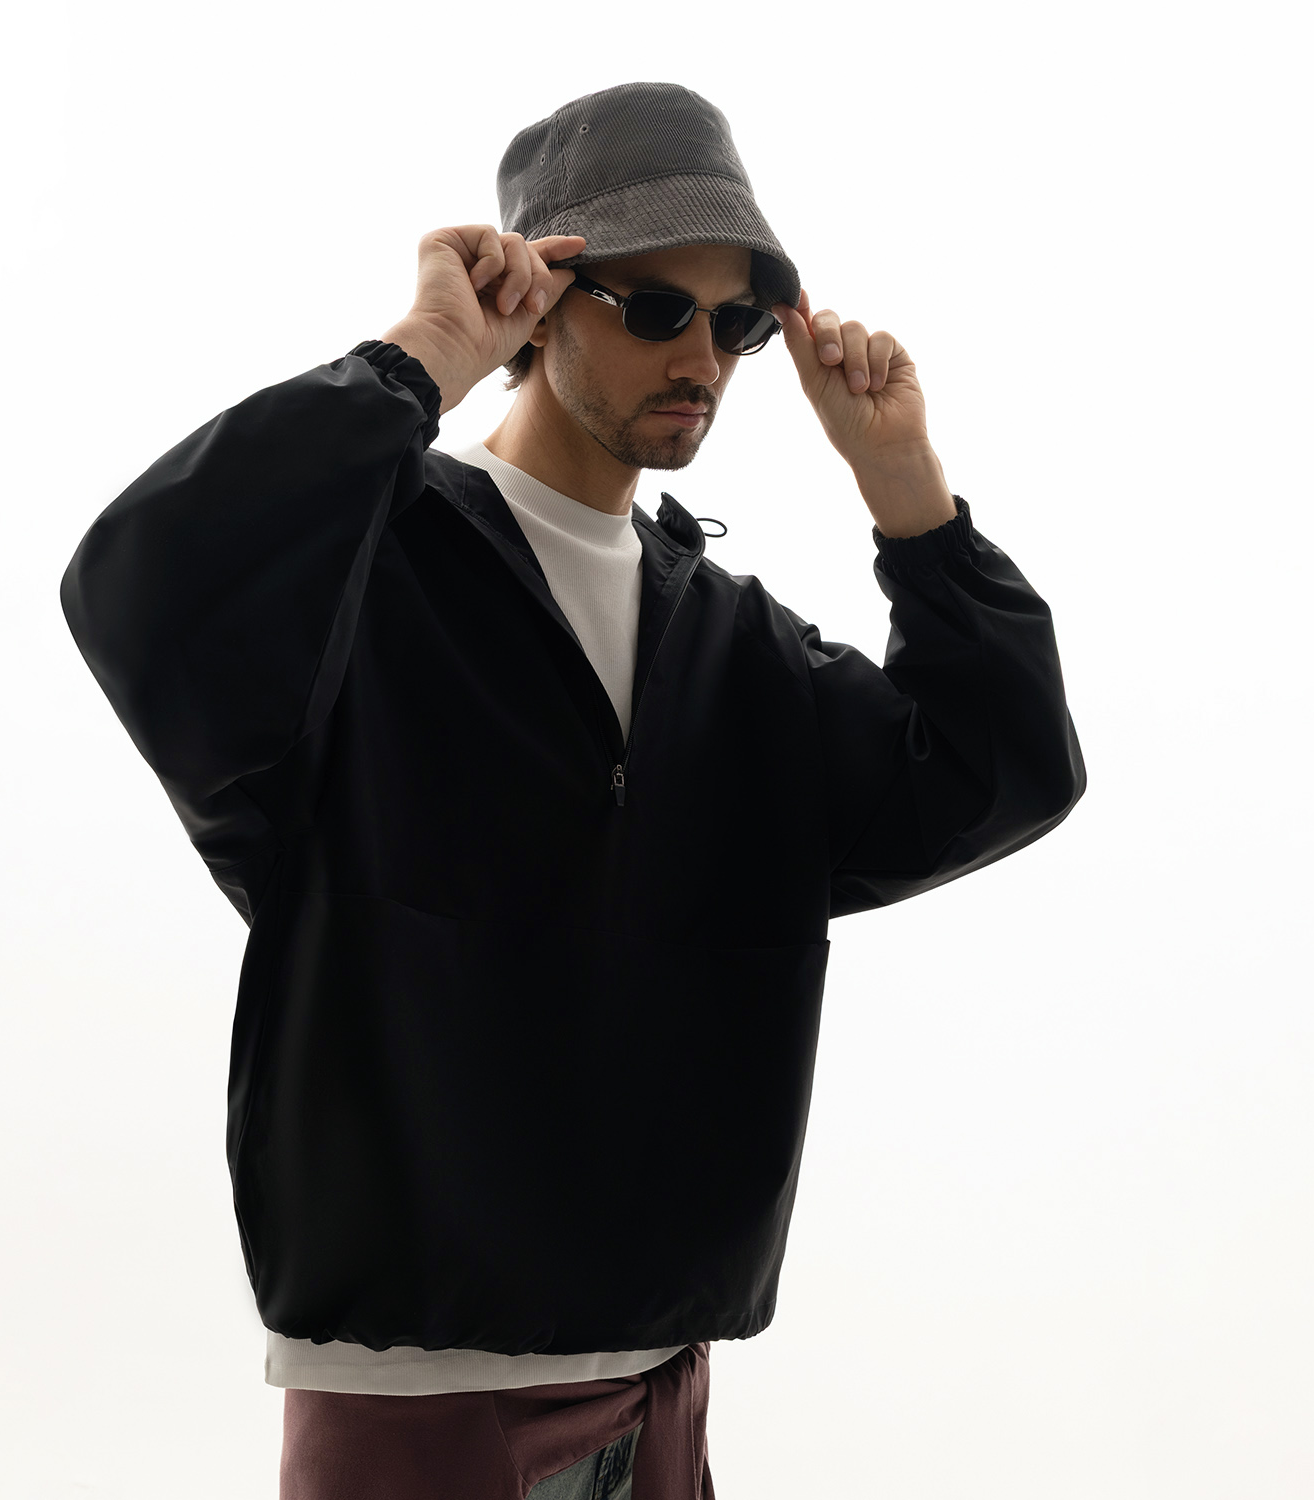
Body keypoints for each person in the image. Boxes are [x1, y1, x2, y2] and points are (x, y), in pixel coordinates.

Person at [59, 82, 1086, 1500]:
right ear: (539, 303)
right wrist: (419, 360)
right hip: (419, 1401)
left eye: (736, 323)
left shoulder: (736, 646)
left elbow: (1004, 769)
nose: (703, 359)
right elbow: (147, 589)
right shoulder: (372, 570)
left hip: (665, 1388)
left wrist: (905, 488)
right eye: (656, 308)